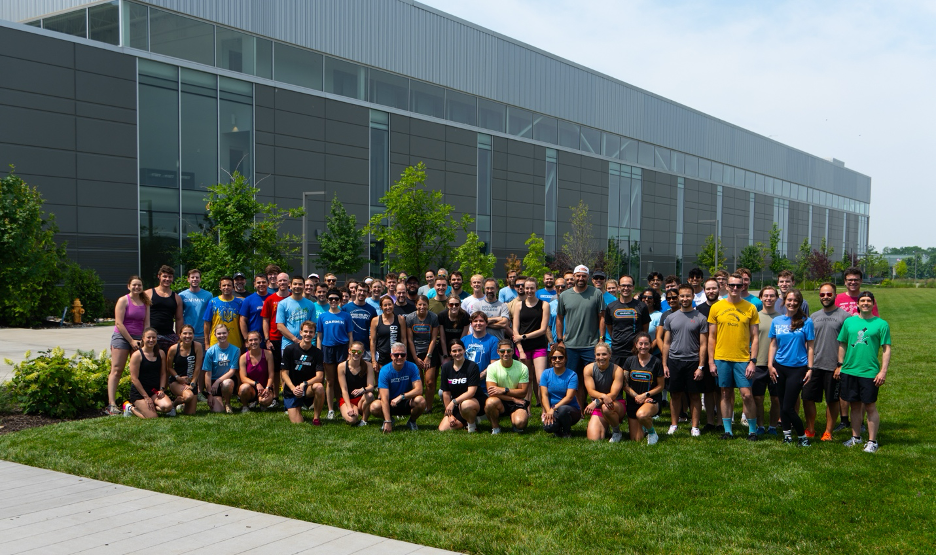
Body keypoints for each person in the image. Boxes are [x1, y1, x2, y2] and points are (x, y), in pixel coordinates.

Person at [708, 273, 760, 440]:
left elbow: (755, 337)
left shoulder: (750, 308)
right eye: (732, 285)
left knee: (746, 394)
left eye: (739, 285)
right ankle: (727, 430)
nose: (736, 288)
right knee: (725, 393)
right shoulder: (716, 307)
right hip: (722, 357)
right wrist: (711, 361)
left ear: (743, 286)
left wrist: (753, 361)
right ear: (727, 286)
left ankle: (752, 430)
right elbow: (711, 337)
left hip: (743, 359)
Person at [838, 291, 890, 453]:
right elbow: (843, 343)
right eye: (862, 300)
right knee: (854, 405)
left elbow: (886, 349)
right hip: (849, 370)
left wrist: (883, 371)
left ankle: (872, 441)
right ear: (858, 304)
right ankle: (856, 437)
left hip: (869, 372)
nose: (865, 303)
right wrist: (840, 364)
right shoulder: (849, 323)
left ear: (873, 303)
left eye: (868, 300)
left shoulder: (881, 324)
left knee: (870, 406)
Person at [768, 289, 815, 447]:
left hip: (798, 368)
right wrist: (770, 365)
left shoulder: (806, 321)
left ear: (799, 303)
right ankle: (787, 435)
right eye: (789, 300)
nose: (792, 303)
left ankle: (802, 436)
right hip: (779, 367)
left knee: (788, 406)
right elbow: (773, 344)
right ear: (784, 301)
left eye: (795, 300)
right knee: (782, 403)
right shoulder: (777, 321)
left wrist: (810, 368)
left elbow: (810, 347)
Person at [555, 265, 606, 409]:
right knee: (574, 379)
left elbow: (602, 317)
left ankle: (597, 407)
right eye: (578, 276)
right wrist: (560, 340)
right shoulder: (565, 295)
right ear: (573, 277)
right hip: (570, 346)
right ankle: (579, 409)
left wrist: (601, 339)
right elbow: (559, 318)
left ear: (588, 277)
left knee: (594, 378)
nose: (580, 278)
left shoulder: (596, 294)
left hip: (591, 345)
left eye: (583, 276)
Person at [662, 284, 709, 437]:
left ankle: (695, 426)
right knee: (675, 394)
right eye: (681, 296)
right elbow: (666, 343)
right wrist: (664, 364)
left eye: (688, 295)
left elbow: (703, 344)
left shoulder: (701, 318)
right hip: (674, 361)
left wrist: (701, 366)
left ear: (693, 296)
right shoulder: (670, 318)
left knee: (694, 395)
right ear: (678, 297)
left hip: (693, 362)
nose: (684, 299)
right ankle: (674, 424)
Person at [805, 282, 850, 441]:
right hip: (814, 365)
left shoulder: (845, 317)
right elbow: (807, 341)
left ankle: (828, 432)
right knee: (808, 397)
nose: (825, 297)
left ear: (835, 295)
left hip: (833, 367)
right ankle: (810, 428)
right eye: (822, 294)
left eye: (829, 294)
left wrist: (841, 365)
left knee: (832, 400)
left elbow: (848, 343)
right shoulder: (813, 317)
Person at [106, 276, 150, 415]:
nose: (137, 287)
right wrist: (131, 341)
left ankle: (139, 401)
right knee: (117, 369)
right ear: (128, 286)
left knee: (139, 371)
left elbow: (147, 323)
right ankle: (111, 404)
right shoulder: (123, 300)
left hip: (139, 338)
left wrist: (144, 339)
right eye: (134, 285)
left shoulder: (145, 302)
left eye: (139, 285)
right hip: (122, 337)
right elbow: (119, 323)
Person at [371, 342, 426, 432]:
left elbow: (419, 390)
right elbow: (384, 398)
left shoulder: (412, 367)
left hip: (407, 401)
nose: (399, 357)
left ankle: (412, 421)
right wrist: (387, 420)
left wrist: (401, 396)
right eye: (396, 355)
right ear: (391, 356)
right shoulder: (385, 371)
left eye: (402, 355)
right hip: (390, 403)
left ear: (406, 355)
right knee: (374, 406)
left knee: (421, 401)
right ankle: (390, 420)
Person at [318, 288, 354, 420]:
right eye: (331, 299)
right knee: (330, 380)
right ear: (327, 300)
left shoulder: (346, 315)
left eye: (336, 299)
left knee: (341, 380)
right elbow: (319, 336)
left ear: (340, 301)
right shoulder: (322, 316)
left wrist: (350, 351)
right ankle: (330, 409)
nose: (333, 301)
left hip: (342, 348)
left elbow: (350, 335)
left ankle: (341, 403)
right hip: (327, 349)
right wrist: (319, 351)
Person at [513, 277, 550, 405]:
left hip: (539, 346)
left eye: (532, 288)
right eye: (527, 288)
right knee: (526, 379)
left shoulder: (544, 305)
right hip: (523, 348)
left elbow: (543, 329)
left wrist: (524, 337)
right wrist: (520, 350)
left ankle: (544, 408)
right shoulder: (518, 305)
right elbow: (515, 330)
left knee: (540, 379)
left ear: (536, 288)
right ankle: (526, 407)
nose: (529, 290)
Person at [622, 333, 664, 444]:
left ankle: (652, 432)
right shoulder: (629, 361)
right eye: (640, 343)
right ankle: (644, 426)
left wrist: (646, 395)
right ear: (636, 345)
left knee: (642, 414)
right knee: (636, 439)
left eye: (646, 344)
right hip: (633, 401)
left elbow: (661, 386)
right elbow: (625, 385)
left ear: (650, 345)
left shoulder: (656, 362)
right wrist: (637, 396)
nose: (643, 346)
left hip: (651, 400)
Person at [281, 321, 325, 425]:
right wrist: (293, 388)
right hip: (292, 390)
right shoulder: (289, 349)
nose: (308, 334)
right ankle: (296, 407)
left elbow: (320, 376)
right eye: (305, 331)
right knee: (298, 423)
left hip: (307, 388)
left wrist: (304, 384)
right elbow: (284, 373)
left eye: (311, 332)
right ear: (300, 332)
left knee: (319, 387)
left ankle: (316, 418)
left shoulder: (318, 353)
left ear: (314, 334)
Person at [124, 327, 174, 418]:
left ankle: (151, 407)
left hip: (154, 391)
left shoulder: (161, 353)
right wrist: (146, 397)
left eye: (154, 337)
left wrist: (162, 389)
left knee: (167, 407)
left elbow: (163, 373)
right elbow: (134, 379)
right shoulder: (137, 355)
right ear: (143, 338)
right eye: (148, 337)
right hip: (140, 393)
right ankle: (130, 408)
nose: (151, 340)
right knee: (152, 417)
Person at [750, 286, 781, 435]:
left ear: (776, 298)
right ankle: (760, 425)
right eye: (766, 296)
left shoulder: (782, 318)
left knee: (776, 398)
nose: (768, 298)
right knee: (758, 398)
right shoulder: (754, 317)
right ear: (761, 298)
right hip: (758, 363)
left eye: (772, 296)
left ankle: (773, 426)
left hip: (777, 365)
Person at [602, 274, 650, 369]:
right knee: (618, 379)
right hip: (617, 351)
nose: (626, 288)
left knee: (633, 380)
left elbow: (645, 329)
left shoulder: (641, 306)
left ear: (633, 288)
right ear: (619, 287)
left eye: (629, 285)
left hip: (635, 351)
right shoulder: (611, 307)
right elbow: (610, 327)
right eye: (623, 285)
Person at [582, 343, 627, 442]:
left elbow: (613, 394)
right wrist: (602, 396)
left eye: (604, 354)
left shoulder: (617, 370)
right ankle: (606, 426)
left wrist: (595, 402)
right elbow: (591, 391)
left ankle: (616, 432)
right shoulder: (588, 369)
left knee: (606, 408)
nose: (601, 357)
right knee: (594, 439)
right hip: (599, 407)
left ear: (610, 355)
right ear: (595, 356)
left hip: (615, 404)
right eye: (598, 355)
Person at [484, 339, 530, 434]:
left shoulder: (522, 368)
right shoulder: (492, 367)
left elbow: (523, 392)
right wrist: (513, 398)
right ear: (498, 352)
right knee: (490, 403)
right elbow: (491, 393)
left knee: (520, 423)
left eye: (509, 351)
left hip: (518, 401)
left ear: (513, 351)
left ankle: (515, 422)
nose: (506, 353)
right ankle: (495, 427)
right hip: (500, 400)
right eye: (502, 351)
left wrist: (503, 389)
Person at [438, 339, 482, 432]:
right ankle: (464, 421)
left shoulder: (472, 366)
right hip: (456, 404)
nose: (457, 353)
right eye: (454, 351)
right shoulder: (446, 367)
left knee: (466, 405)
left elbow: (471, 392)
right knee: (443, 429)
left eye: (459, 350)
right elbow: (446, 393)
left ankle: (472, 425)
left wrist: (453, 402)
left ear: (464, 350)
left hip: (473, 401)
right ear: (450, 353)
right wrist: (450, 415)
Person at [406, 295, 441, 412]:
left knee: (430, 381)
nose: (422, 307)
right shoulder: (410, 318)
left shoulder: (433, 317)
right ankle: (419, 404)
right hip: (414, 352)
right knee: (419, 381)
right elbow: (410, 340)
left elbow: (434, 338)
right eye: (419, 304)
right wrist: (415, 358)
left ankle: (429, 407)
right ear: (416, 305)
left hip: (430, 351)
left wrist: (428, 356)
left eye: (424, 304)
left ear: (428, 305)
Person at [539, 345, 582, 437]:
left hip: (570, 410)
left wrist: (553, 409)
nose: (557, 360)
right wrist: (548, 411)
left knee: (562, 410)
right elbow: (544, 395)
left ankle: (567, 432)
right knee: (548, 427)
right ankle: (558, 431)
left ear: (565, 359)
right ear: (550, 360)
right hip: (552, 410)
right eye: (554, 358)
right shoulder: (546, 373)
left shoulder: (572, 375)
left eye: (560, 357)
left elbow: (569, 397)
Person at [261, 272, 291, 400]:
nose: (282, 283)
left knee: (287, 369)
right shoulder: (270, 299)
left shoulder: (293, 297)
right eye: (280, 281)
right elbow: (265, 320)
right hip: (274, 338)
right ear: (276, 283)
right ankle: (275, 397)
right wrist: (267, 339)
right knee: (275, 370)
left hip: (289, 339)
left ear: (288, 282)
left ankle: (286, 395)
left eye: (285, 280)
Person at [202, 323, 240, 414]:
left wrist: (218, 381)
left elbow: (232, 371)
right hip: (213, 382)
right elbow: (207, 373)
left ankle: (227, 403)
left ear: (228, 333)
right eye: (219, 334)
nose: (222, 335)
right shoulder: (210, 351)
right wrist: (209, 394)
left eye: (224, 333)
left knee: (227, 383)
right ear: (214, 335)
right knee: (217, 410)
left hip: (228, 380)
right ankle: (218, 399)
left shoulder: (236, 350)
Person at [146, 265, 183, 355]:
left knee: (168, 363)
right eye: (164, 276)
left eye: (170, 277)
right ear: (159, 276)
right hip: (152, 335)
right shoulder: (148, 293)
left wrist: (179, 337)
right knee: (152, 361)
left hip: (169, 335)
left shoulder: (176, 298)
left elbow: (179, 319)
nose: (167, 279)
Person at [337, 341, 376, 426]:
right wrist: (349, 407)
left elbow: (371, 386)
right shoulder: (342, 366)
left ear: (362, 352)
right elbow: (344, 390)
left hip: (361, 399)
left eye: (359, 352)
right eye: (353, 351)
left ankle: (364, 420)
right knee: (351, 420)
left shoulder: (368, 365)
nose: (356, 354)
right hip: (347, 399)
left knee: (370, 395)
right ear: (349, 351)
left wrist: (362, 390)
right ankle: (354, 412)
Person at [165, 324, 201, 415]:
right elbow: (169, 367)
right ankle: (174, 405)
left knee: (190, 413)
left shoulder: (197, 346)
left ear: (193, 335)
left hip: (191, 381)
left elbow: (197, 367)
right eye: (185, 333)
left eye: (190, 333)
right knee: (189, 396)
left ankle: (181, 402)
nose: (187, 336)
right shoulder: (173, 349)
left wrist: (192, 383)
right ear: (180, 335)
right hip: (176, 381)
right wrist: (178, 378)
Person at [237, 331, 275, 412]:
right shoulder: (243, 357)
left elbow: (271, 374)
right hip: (251, 389)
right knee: (243, 388)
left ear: (260, 340)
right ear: (247, 343)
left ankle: (261, 402)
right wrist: (256, 383)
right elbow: (243, 378)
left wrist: (267, 388)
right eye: (250, 340)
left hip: (265, 388)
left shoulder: (268, 354)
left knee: (265, 401)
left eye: (255, 340)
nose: (253, 342)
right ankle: (245, 406)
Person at [202, 277, 244, 349]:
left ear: (233, 287)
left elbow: (243, 322)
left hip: (235, 342)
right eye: (224, 285)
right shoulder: (213, 302)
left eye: (229, 285)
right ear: (220, 287)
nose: (226, 287)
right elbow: (206, 323)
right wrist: (206, 343)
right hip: (216, 343)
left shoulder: (239, 302)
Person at [277, 276, 316, 352]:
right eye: (295, 284)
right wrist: (295, 339)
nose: (297, 286)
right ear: (290, 286)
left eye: (300, 284)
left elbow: (313, 324)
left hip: (307, 345)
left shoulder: (310, 304)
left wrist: (305, 340)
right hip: (288, 345)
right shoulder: (283, 304)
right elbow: (280, 326)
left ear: (304, 286)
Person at [343, 280, 378, 362]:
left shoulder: (371, 310)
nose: (362, 293)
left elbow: (374, 330)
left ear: (368, 293)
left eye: (364, 291)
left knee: (365, 372)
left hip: (365, 348)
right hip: (349, 347)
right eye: (360, 290)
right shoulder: (346, 308)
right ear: (355, 291)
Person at [179, 268, 213, 348]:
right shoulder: (181, 295)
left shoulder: (208, 295)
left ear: (200, 279)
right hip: (187, 334)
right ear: (188, 279)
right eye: (192, 277)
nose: (195, 279)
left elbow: (210, 316)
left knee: (201, 359)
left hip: (202, 334)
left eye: (197, 277)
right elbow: (179, 316)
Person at [370, 296, 407, 369]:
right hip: (382, 356)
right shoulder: (375, 320)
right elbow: (373, 341)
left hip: (397, 356)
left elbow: (403, 339)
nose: (388, 307)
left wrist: (405, 355)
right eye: (385, 305)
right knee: (381, 379)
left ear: (393, 305)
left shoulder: (400, 319)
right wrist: (373, 360)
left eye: (390, 304)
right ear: (381, 307)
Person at [463, 312, 500, 380]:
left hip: (485, 382)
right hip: (466, 380)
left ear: (486, 324)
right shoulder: (464, 340)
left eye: (481, 321)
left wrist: (480, 376)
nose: (478, 323)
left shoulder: (493, 340)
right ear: (471, 324)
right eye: (475, 321)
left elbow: (494, 363)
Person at [239, 274, 271, 348]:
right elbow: (242, 320)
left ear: (268, 283)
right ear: (254, 284)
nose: (261, 284)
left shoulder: (272, 298)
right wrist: (246, 339)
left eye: (263, 282)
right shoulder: (248, 300)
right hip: (254, 340)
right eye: (258, 282)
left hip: (270, 339)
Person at [438, 295, 470, 361]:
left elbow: (463, 338)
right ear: (447, 305)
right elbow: (442, 337)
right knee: (445, 366)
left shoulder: (465, 316)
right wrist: (445, 355)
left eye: (456, 304)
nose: (454, 306)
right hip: (444, 346)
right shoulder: (442, 316)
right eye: (451, 304)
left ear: (460, 305)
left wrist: (457, 352)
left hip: (459, 346)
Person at [548, 277, 566, 347]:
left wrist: (563, 340)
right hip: (553, 345)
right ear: (554, 288)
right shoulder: (550, 305)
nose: (560, 288)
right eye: (558, 286)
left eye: (563, 286)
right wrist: (551, 342)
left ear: (567, 287)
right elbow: (547, 326)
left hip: (569, 344)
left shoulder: (572, 305)